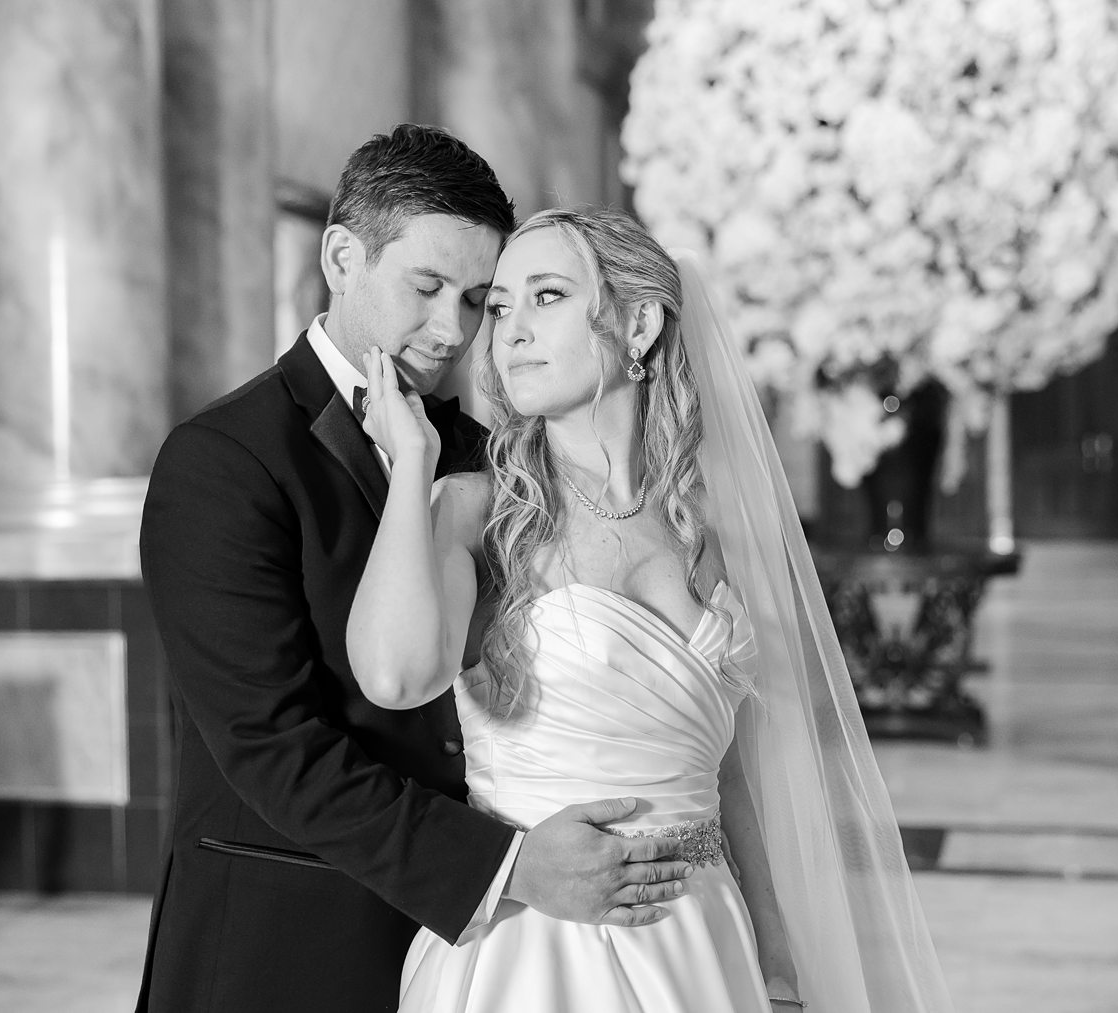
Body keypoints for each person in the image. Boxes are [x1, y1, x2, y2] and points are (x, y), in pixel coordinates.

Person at [135, 129, 694, 1012]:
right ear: (341, 257)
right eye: (427, 288)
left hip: (483, 952)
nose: (455, 331)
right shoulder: (222, 460)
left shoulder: (489, 456)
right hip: (288, 940)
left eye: (480, 300)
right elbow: (272, 747)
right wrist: (504, 866)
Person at [349, 206, 957, 1011]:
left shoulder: (703, 527)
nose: (510, 330)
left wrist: (772, 942)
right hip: (537, 951)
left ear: (638, 324)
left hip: (703, 940)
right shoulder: (474, 511)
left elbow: (723, 760)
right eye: (499, 307)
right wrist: (412, 464)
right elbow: (394, 676)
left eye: (548, 295)